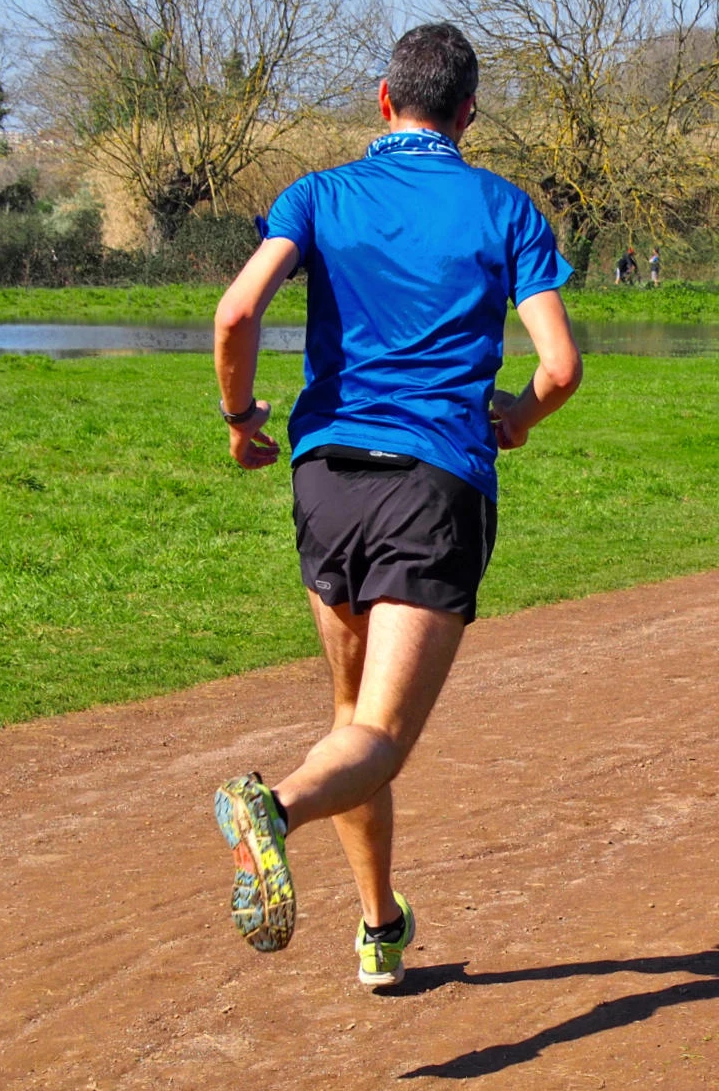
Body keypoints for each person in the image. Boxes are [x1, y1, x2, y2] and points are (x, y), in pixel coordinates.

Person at [208, 21, 582, 989]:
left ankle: (380, 928)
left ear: (383, 100)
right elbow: (560, 366)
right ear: (467, 115)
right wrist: (520, 416)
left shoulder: (319, 193)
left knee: (350, 717)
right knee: (375, 739)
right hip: (434, 483)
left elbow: (237, 312)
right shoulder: (506, 209)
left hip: (326, 475)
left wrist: (244, 418)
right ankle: (274, 811)